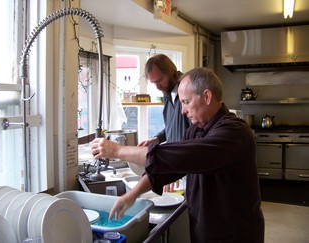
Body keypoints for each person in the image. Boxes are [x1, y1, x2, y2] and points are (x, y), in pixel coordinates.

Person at [92, 67, 265, 242]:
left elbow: (177, 156)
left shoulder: (234, 132)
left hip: (235, 233)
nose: (182, 110)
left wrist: (117, 150)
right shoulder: (195, 130)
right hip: (204, 228)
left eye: (186, 102)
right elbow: (169, 167)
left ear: (207, 96)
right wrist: (131, 195)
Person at [138, 54, 191, 191]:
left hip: (188, 169)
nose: (157, 86)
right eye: (153, 82)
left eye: (160, 80)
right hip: (176, 168)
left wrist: (175, 167)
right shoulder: (167, 93)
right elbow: (172, 127)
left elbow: (196, 137)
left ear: (172, 72)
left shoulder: (188, 92)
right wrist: (158, 139)